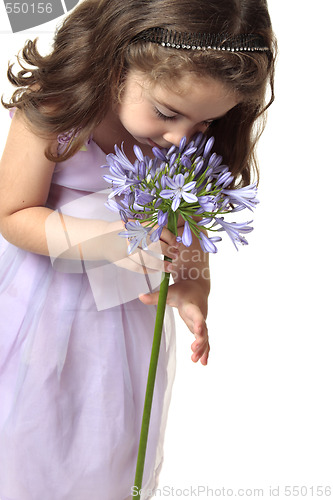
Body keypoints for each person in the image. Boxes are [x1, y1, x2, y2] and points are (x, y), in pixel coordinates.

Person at [0, 0, 276, 498]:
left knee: (108, 447)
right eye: (168, 113)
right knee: (24, 436)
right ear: (116, 61)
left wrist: (194, 287)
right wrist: (108, 242)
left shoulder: (181, 135)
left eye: (204, 124)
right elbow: (13, 215)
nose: (180, 138)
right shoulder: (57, 105)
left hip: (121, 324)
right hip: (34, 309)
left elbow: (188, 224)